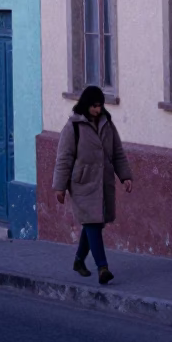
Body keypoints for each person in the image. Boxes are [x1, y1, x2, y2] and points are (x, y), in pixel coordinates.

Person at [52, 85, 134, 285]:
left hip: (102, 182)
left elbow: (117, 152)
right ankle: (103, 267)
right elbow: (64, 158)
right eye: (94, 106)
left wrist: (125, 176)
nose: (98, 110)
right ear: (86, 105)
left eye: (100, 106)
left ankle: (79, 260)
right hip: (82, 183)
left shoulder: (107, 124)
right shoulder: (73, 127)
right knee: (93, 224)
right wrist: (59, 187)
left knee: (94, 223)